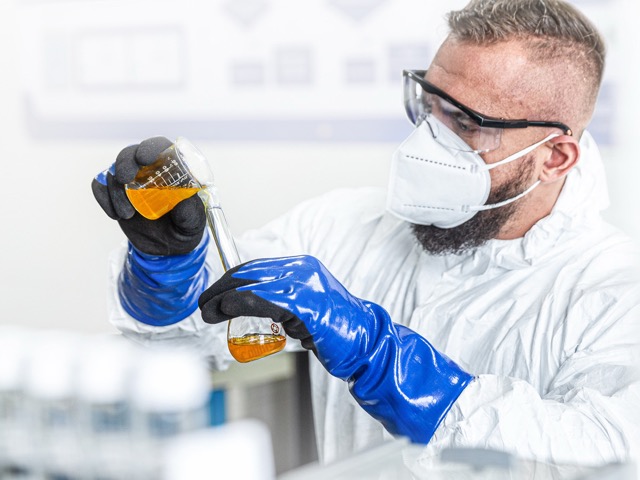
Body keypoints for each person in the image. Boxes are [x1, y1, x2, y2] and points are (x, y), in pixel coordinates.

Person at [92, 0, 640, 471]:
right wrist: (168, 267)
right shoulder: (341, 226)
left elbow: (600, 455)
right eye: (429, 104)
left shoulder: (615, 292)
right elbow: (184, 345)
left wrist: (382, 358)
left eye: (467, 123)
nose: (430, 139)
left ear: (555, 157)